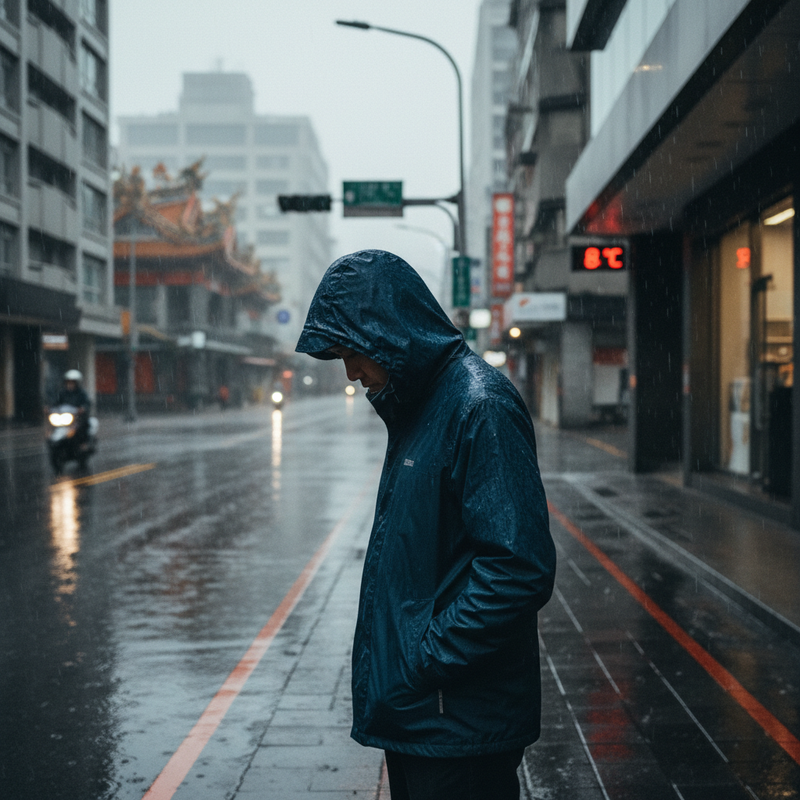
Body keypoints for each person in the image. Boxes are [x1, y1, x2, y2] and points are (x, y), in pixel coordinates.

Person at [296, 250, 556, 800]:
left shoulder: (477, 406)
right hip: (428, 716)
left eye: (354, 353)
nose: (351, 372)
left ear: (390, 335)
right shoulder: (421, 407)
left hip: (457, 719)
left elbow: (518, 568)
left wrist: (427, 657)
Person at [54, 369, 91, 443]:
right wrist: (49, 408)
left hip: (77, 417)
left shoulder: (81, 393)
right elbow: (56, 402)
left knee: (82, 426)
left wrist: (82, 408)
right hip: (64, 417)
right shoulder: (62, 392)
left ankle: (83, 443)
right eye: (68, 382)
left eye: (72, 383)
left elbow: (87, 403)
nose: (70, 384)